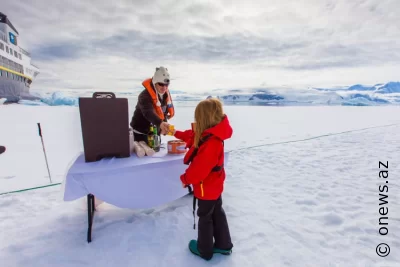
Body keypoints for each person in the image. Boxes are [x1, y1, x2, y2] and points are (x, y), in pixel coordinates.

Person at [173, 98, 234, 261]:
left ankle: (204, 249)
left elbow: (198, 170)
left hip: (206, 188)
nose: (196, 121)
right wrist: (173, 132)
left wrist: (185, 178)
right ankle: (223, 245)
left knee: (205, 216)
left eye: (197, 118)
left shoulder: (211, 143)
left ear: (204, 119)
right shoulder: (211, 135)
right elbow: (191, 135)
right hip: (215, 186)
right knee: (217, 213)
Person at [130, 66, 174, 144]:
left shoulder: (165, 95)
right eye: (161, 84)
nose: (164, 87)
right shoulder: (144, 96)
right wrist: (160, 123)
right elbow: (148, 112)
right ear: (155, 82)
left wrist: (163, 127)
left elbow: (163, 113)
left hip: (155, 133)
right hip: (140, 134)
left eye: (166, 85)